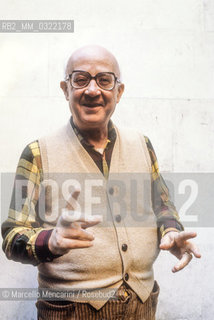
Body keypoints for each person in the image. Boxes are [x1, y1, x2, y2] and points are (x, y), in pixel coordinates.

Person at [1, 45, 201, 320]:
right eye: (80, 79)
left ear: (118, 92)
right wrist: (50, 241)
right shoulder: (37, 154)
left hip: (141, 307)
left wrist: (170, 230)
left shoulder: (142, 145)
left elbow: (162, 205)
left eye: (104, 80)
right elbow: (12, 237)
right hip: (70, 311)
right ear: (65, 89)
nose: (92, 90)